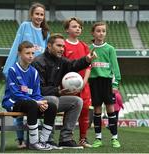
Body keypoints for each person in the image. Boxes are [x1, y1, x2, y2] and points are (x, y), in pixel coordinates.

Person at [32, 33, 96, 149]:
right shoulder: (38, 62)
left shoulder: (61, 61)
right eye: (59, 46)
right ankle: (48, 139)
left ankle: (65, 139)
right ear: (49, 46)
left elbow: (74, 65)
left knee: (77, 101)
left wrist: (87, 60)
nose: (62, 49)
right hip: (37, 101)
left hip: (54, 99)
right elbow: (38, 90)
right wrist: (58, 91)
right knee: (53, 99)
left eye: (63, 46)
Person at [2, 2, 50, 148]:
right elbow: (16, 46)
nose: (39, 17)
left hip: (36, 73)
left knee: (35, 101)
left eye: (42, 14)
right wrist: (8, 67)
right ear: (31, 14)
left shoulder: (46, 33)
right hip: (21, 70)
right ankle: (20, 140)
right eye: (37, 14)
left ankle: (37, 139)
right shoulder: (25, 26)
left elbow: (47, 56)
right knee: (21, 101)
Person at [2, 41, 57, 150]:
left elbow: (36, 94)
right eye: (27, 53)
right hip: (13, 102)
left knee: (51, 106)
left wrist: (41, 103)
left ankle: (43, 141)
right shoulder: (13, 70)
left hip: (31, 103)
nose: (31, 56)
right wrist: (37, 103)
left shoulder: (34, 72)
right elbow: (15, 94)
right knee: (32, 104)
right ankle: (33, 143)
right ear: (19, 54)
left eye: (32, 53)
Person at [88, 22, 121, 148]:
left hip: (107, 82)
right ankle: (98, 138)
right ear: (93, 33)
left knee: (110, 110)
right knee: (97, 110)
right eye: (98, 31)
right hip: (94, 81)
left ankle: (114, 138)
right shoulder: (89, 48)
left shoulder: (110, 49)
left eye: (103, 31)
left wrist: (116, 82)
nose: (101, 33)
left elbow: (115, 67)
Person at [63, 17, 92, 148]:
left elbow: (88, 67)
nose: (78, 28)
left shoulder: (84, 46)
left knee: (85, 111)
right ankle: (66, 138)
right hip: (68, 86)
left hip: (83, 86)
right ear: (67, 29)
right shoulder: (63, 45)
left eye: (79, 27)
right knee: (68, 111)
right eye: (74, 26)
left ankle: (83, 139)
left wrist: (83, 83)